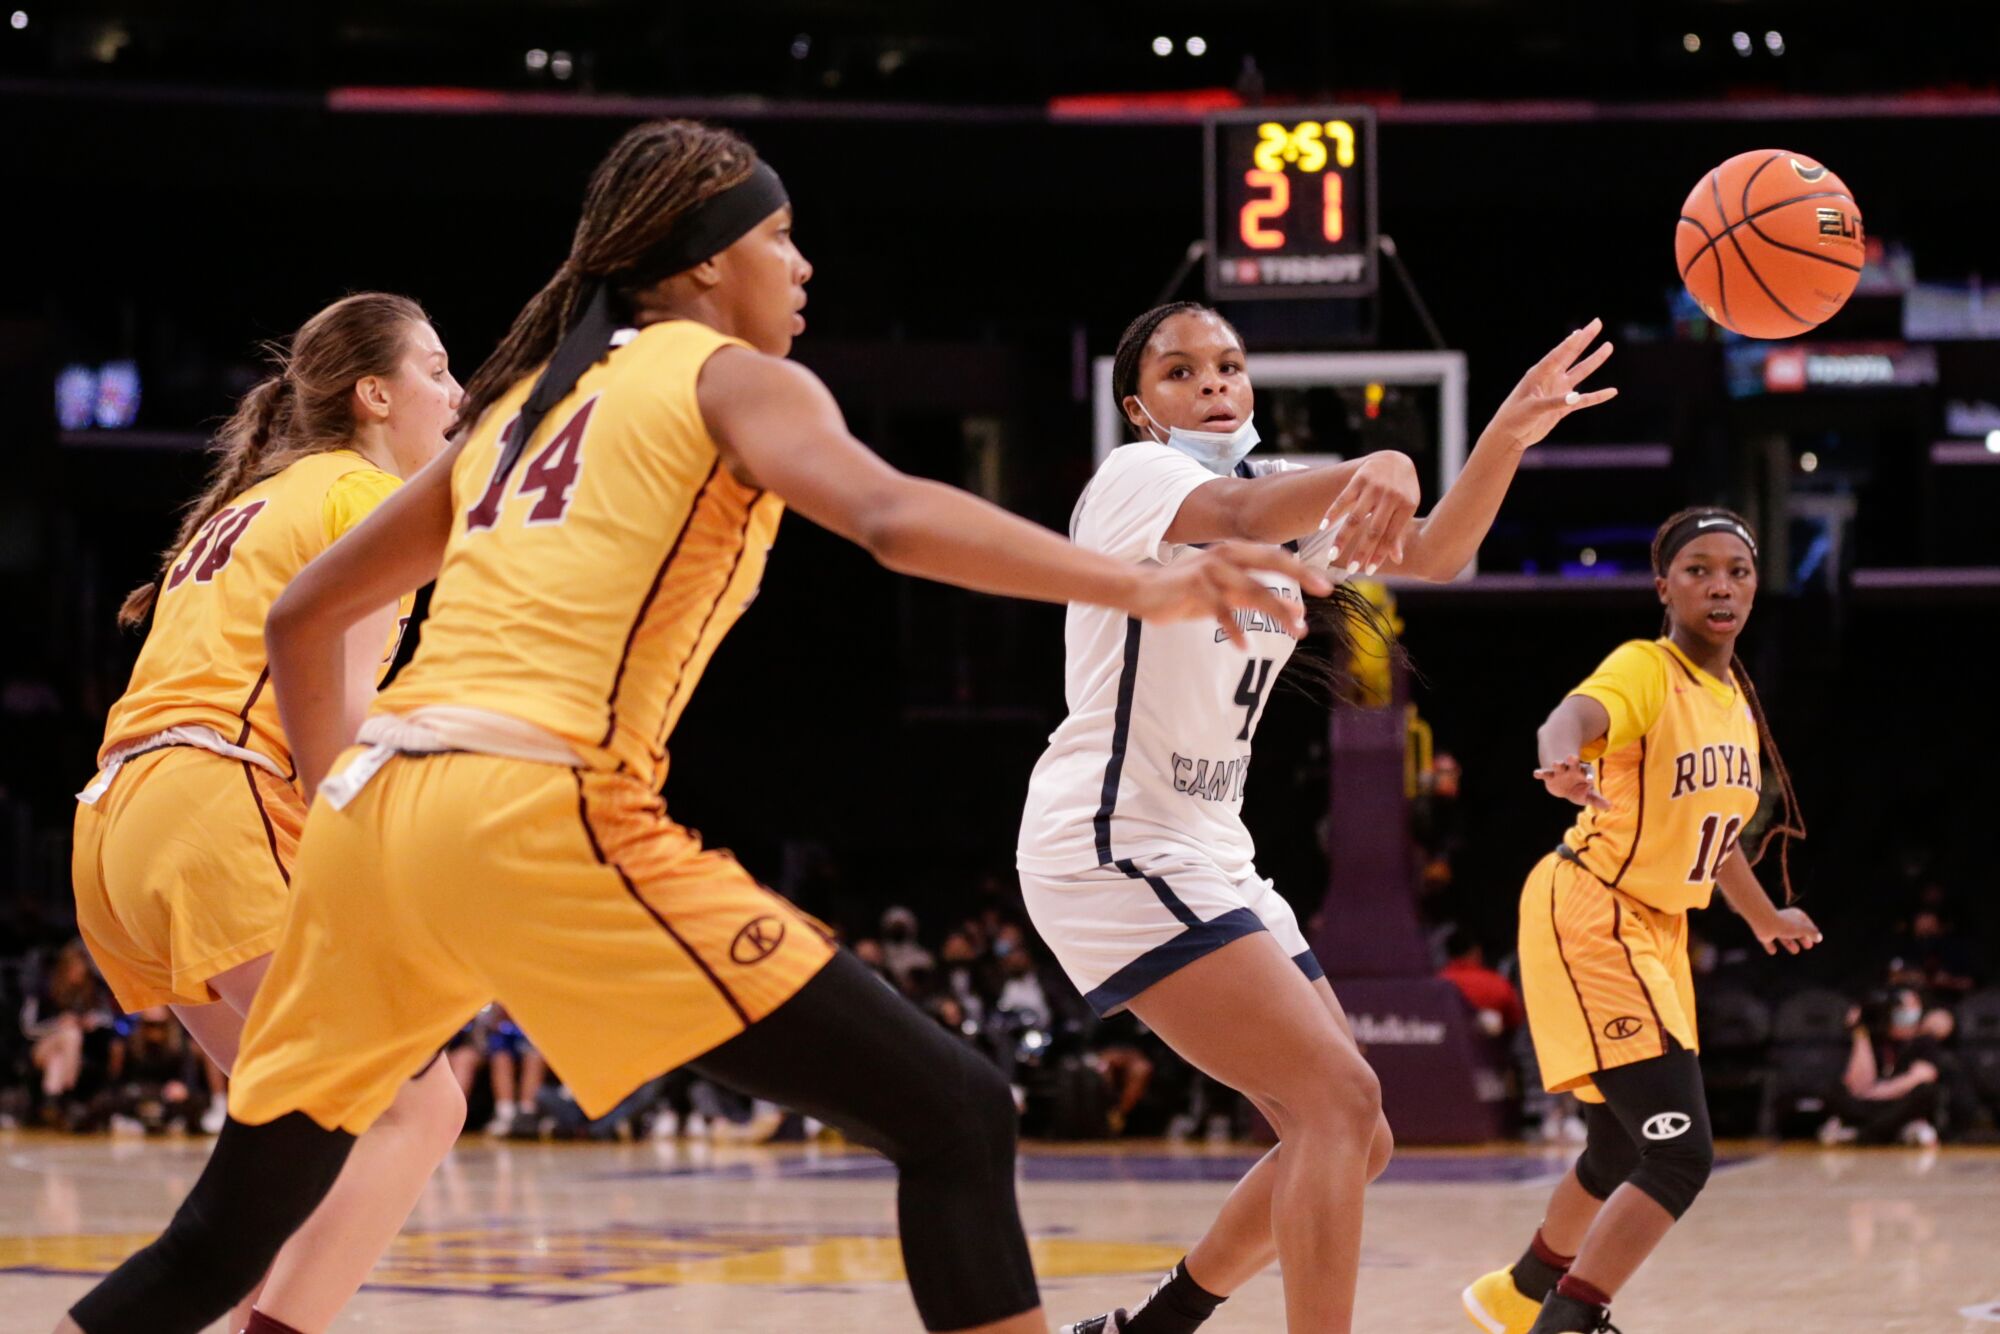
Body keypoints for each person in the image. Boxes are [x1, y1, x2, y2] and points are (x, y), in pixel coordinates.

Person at [60, 118, 1325, 1334]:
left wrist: (339, 796)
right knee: (954, 1112)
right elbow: (888, 516)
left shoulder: (517, 410)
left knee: (224, 1232)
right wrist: (1138, 581)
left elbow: (299, 615)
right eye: (783, 238)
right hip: (535, 804)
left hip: (377, 824)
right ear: (710, 261)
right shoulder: (729, 376)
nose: (804, 264)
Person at [1019, 301, 1618, 1334]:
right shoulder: (1137, 480)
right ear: (1138, 406)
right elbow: (1242, 518)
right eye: (1180, 371)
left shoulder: (1270, 497)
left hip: (1208, 844)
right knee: (1335, 1100)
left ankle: (1152, 1326)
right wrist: (1371, 458)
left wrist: (1502, 436)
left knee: (1355, 1131)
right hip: (1113, 834)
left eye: (1229, 364)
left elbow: (1432, 553)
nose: (1212, 382)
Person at [66, 293, 469, 1334]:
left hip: (116, 821)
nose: (456, 392)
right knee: (420, 1104)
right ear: (372, 395)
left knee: (290, 1141)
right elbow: (335, 721)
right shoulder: (360, 494)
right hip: (215, 798)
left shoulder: (252, 497)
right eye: (435, 370)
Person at [1461, 507, 1822, 1334]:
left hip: (1658, 928)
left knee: (1622, 1147)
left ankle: (1519, 1294)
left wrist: (1765, 914)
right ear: (1664, 586)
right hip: (1592, 909)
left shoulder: (1732, 701)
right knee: (1681, 1153)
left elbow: (1717, 835)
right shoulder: (1645, 669)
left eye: (1736, 568)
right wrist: (1563, 758)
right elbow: (1574, 716)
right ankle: (1571, 1321)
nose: (1720, 584)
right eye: (1698, 569)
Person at [1818, 988, 1943, 1146]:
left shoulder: (1924, 1042)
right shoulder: (1873, 1039)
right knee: (1836, 1090)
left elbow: (1922, 1077)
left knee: (1926, 1091)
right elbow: (1858, 1085)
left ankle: (1863, 1134)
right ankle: (1889, 1131)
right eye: (1900, 1009)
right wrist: (1859, 1032)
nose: (1907, 1015)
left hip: (1898, 1104)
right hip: (1872, 1106)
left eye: (1912, 1009)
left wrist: (1877, 1091)